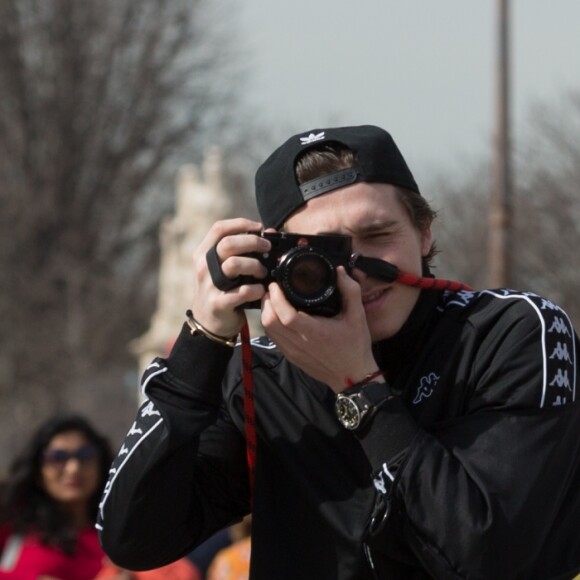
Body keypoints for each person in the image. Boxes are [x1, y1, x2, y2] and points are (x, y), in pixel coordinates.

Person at [97, 125, 580, 579]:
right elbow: (133, 538)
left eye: (377, 236)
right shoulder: (263, 376)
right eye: (323, 252)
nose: (357, 271)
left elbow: (493, 556)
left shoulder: (509, 333)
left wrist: (360, 389)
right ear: (275, 263)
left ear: (425, 231)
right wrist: (201, 344)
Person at [0, 413, 113, 579]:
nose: (73, 468)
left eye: (86, 455)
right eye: (57, 457)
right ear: (38, 471)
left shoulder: (119, 534)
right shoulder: (13, 522)